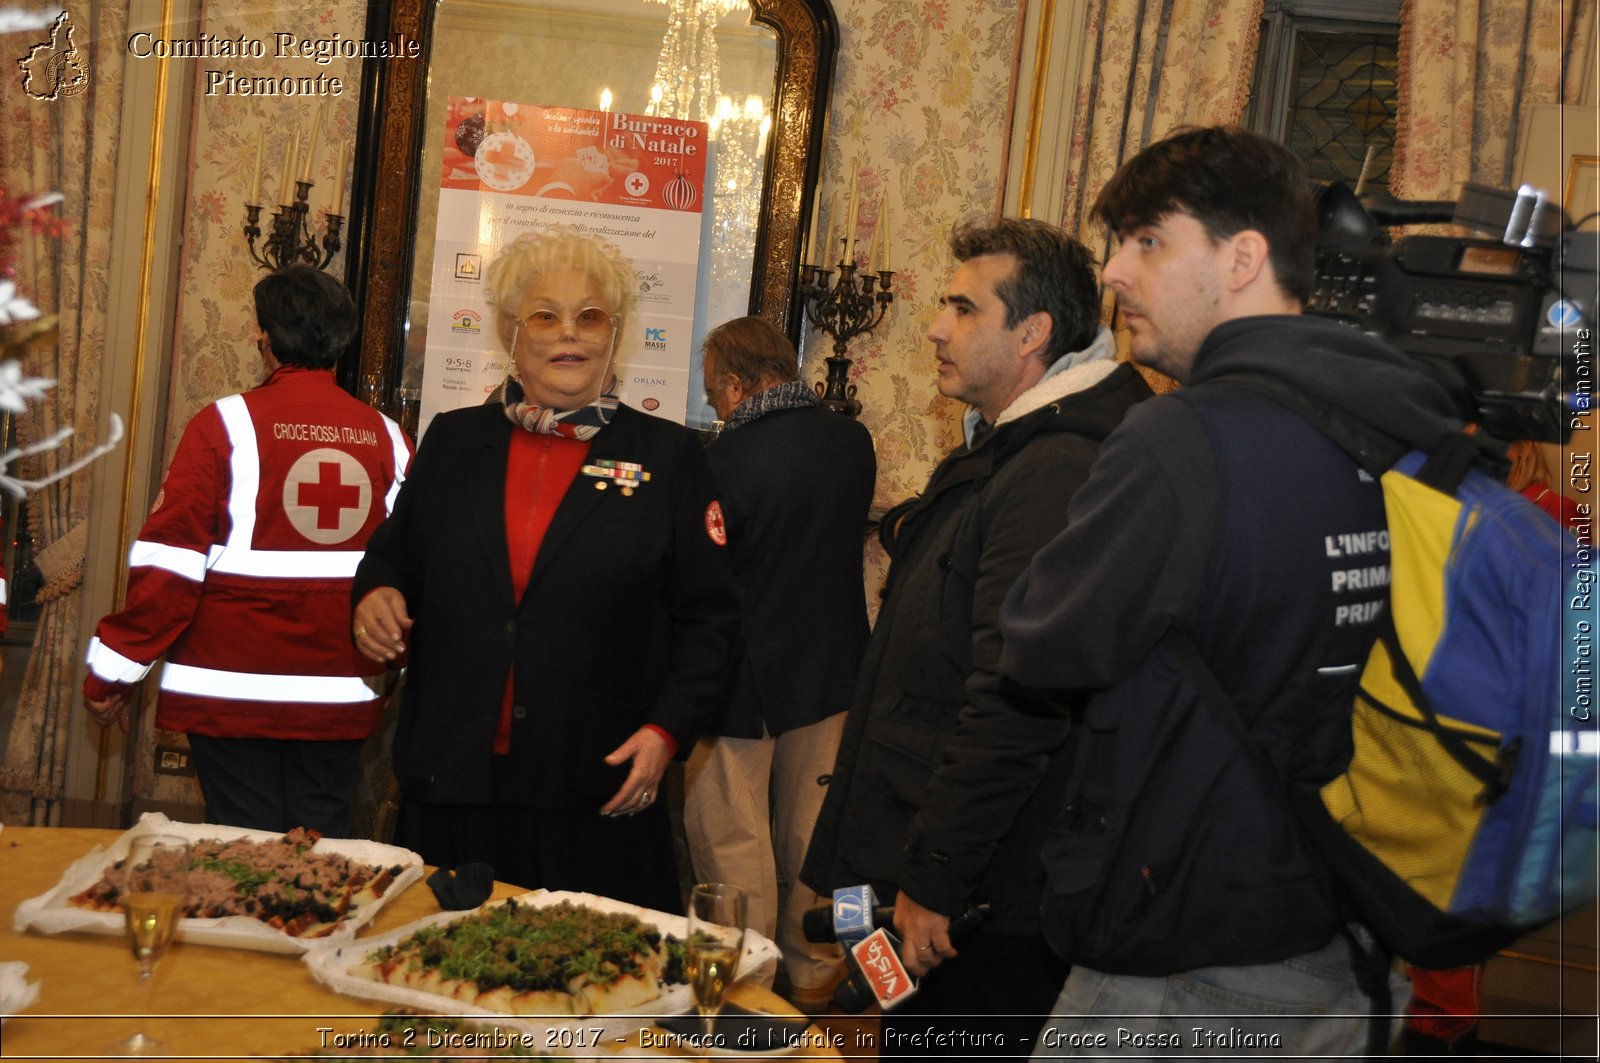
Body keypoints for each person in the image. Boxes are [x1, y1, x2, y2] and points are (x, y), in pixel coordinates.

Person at [996, 126, 1462, 1056]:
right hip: (1348, 940)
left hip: (1185, 962)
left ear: (1244, 257)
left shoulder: (1180, 438)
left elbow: (1041, 641)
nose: (1116, 273)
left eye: (1148, 241)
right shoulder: (1408, 423)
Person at [800, 218, 1152, 1051]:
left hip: (978, 902)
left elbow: (1013, 696)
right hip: (927, 863)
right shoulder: (1013, 447)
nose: (934, 326)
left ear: (1031, 334)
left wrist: (933, 880)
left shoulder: (1055, 468)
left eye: (963, 308)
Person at [351, 227, 739, 912]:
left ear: (614, 333)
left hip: (597, 791)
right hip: (454, 784)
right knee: (439, 992)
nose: (570, 334)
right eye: (545, 314)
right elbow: (393, 556)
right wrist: (376, 593)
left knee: (589, 1002)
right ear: (510, 331)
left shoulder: (670, 458)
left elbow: (710, 619)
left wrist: (666, 730)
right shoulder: (453, 440)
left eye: (590, 316)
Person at [83, 265, 412, 836]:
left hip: (228, 692)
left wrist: (113, 676)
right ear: (343, 340)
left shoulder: (223, 426)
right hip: (342, 693)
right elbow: (416, 568)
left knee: (237, 847)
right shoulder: (388, 436)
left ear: (265, 337)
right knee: (325, 849)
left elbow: (169, 565)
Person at [684, 315, 876, 1007]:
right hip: (830, 666)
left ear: (737, 383)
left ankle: (747, 982)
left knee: (730, 838)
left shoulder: (721, 460)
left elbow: (707, 574)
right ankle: (818, 972)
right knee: (814, 832)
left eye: (714, 394)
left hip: (741, 676)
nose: (714, 407)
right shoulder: (852, 442)